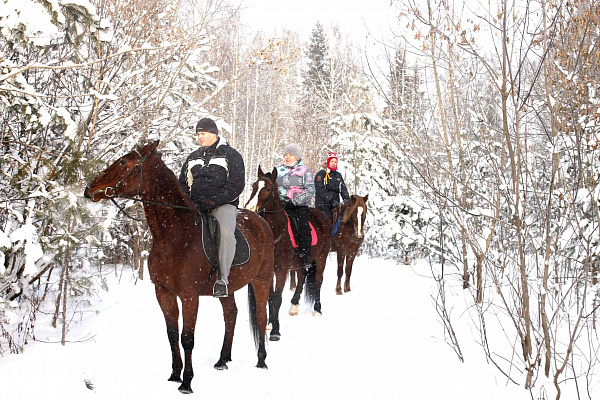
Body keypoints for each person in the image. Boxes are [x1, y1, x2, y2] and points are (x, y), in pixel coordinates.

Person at [178, 117, 245, 297]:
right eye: (198, 134)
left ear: (214, 134)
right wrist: (189, 203)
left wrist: (215, 200)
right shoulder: (192, 157)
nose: (199, 137)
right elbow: (183, 184)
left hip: (222, 206)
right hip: (196, 207)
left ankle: (222, 279)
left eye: (203, 134)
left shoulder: (231, 155)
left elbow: (236, 185)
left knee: (225, 233)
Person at [276, 143, 315, 270]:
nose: (287, 158)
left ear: (297, 157)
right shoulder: (277, 170)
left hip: (297, 205)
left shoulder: (305, 171)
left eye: (291, 155)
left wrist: (294, 201)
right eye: (286, 155)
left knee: (302, 226)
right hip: (279, 204)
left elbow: (310, 190)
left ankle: (305, 255)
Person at [314, 151, 349, 223]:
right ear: (328, 162)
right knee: (328, 222)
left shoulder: (338, 175)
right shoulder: (321, 174)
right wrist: (331, 199)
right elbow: (320, 189)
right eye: (332, 161)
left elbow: (343, 188)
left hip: (336, 204)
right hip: (323, 204)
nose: (334, 163)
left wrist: (346, 199)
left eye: (335, 162)